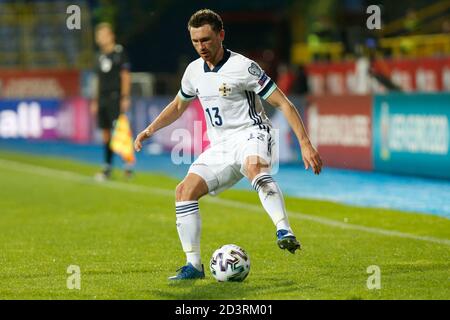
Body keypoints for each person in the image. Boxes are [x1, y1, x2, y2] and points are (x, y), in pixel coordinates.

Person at [134, 9, 323, 280]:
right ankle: (194, 266)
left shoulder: (244, 67)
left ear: (221, 35)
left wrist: (305, 144)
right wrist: (150, 130)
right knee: (183, 191)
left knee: (254, 166)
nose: (202, 47)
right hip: (220, 146)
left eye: (207, 40)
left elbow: (283, 102)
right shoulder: (193, 72)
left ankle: (284, 229)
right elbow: (178, 105)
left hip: (252, 133)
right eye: (196, 41)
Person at [91, 22, 133, 180]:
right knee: (106, 134)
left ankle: (128, 166)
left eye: (103, 34)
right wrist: (95, 100)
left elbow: (125, 75)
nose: (101, 38)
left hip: (116, 97)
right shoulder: (99, 56)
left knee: (120, 131)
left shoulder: (119, 52)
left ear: (111, 35)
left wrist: (125, 96)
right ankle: (107, 167)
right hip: (102, 98)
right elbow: (97, 80)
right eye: (99, 35)